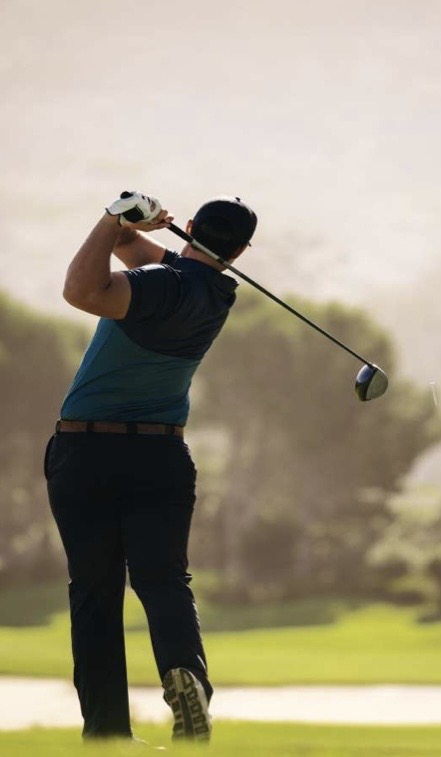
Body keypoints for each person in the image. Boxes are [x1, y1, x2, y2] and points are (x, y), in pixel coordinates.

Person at [44, 191, 257, 743]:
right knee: (163, 580)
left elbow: (80, 290)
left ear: (193, 227)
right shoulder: (214, 292)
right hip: (162, 457)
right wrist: (135, 227)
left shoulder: (160, 284)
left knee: (94, 592)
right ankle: (187, 676)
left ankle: (107, 732)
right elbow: (134, 250)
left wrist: (113, 215)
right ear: (240, 252)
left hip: (87, 452)